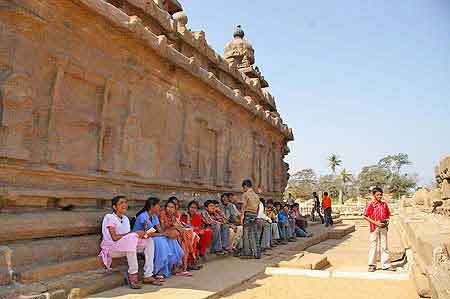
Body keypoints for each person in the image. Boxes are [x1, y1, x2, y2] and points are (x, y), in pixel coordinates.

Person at [98, 196, 156, 289]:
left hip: (124, 246)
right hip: (112, 248)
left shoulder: (125, 219)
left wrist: (143, 233)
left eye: (125, 202)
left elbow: (128, 235)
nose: (124, 204)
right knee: (132, 239)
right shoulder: (109, 217)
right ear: (114, 207)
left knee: (149, 240)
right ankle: (133, 274)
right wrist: (134, 234)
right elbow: (115, 237)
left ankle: (148, 274)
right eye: (121, 203)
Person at [133, 197, 184, 280]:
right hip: (141, 238)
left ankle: (172, 266)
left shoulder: (154, 216)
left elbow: (159, 230)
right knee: (161, 241)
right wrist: (164, 234)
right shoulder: (143, 216)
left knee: (170, 239)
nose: (160, 207)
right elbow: (146, 234)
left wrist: (167, 233)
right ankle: (159, 270)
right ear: (152, 206)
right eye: (158, 205)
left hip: (150, 236)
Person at [159, 198, 199, 276]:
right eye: (168, 206)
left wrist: (176, 228)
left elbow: (179, 227)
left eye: (172, 207)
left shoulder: (174, 216)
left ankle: (182, 267)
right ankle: (190, 258)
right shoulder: (162, 214)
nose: (169, 209)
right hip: (162, 235)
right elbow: (162, 228)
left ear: (175, 209)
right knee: (182, 238)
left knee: (183, 240)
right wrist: (175, 227)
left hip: (171, 235)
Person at [363, 187, 394, 272]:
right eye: (378, 195)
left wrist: (387, 222)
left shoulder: (384, 204)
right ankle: (372, 265)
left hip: (383, 227)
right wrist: (375, 223)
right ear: (374, 195)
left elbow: (388, 215)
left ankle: (386, 265)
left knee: (384, 246)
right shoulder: (371, 205)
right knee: (373, 246)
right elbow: (365, 216)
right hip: (374, 228)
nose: (380, 196)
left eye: (381, 195)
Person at [240, 179, 262, 259]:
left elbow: (244, 206)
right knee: (254, 234)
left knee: (246, 234)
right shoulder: (256, 195)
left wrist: (242, 216)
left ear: (245, 186)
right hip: (254, 214)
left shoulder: (245, 194)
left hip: (248, 214)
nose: (243, 189)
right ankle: (257, 253)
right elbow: (258, 207)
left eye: (243, 187)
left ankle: (247, 252)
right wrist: (256, 215)